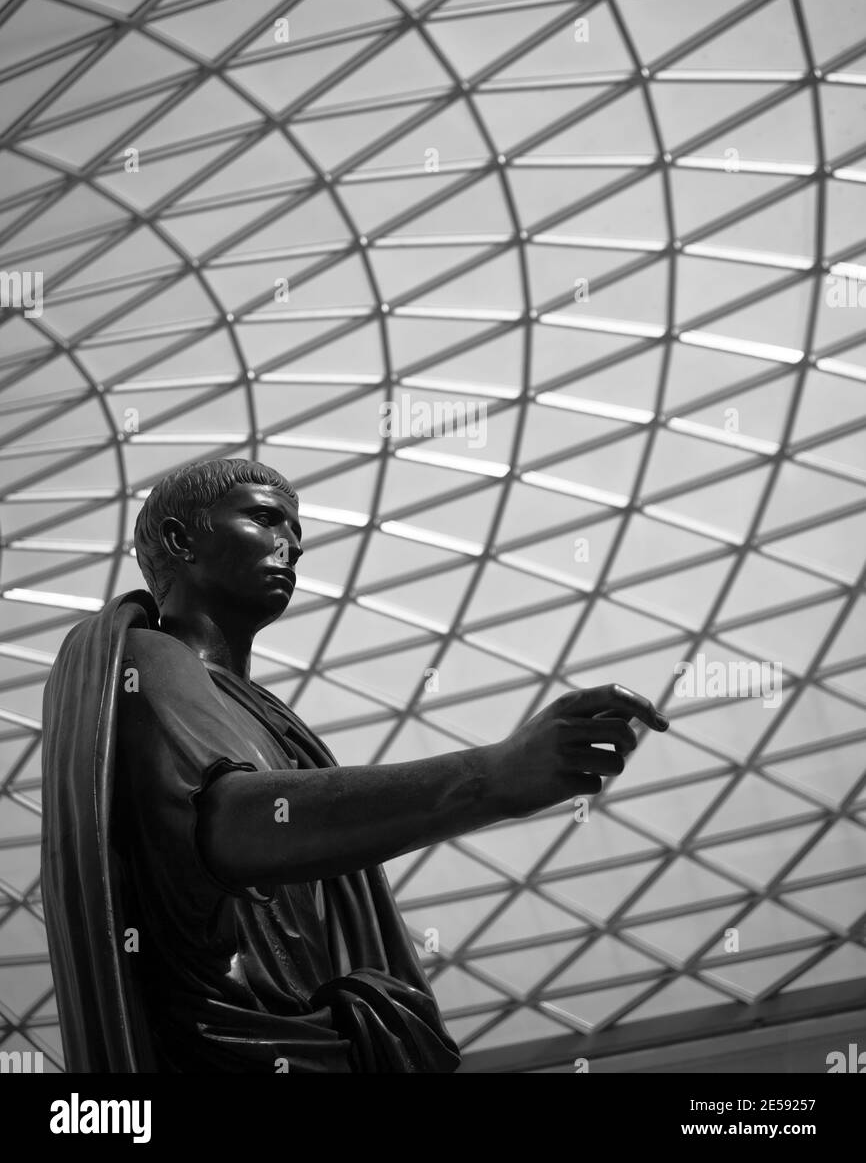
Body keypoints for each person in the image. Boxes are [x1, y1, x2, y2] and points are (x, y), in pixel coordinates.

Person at [41, 457, 669, 1073]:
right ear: (180, 539)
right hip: (225, 1043)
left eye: (297, 533)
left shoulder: (272, 720)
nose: (290, 546)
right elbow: (235, 825)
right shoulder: (148, 657)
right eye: (265, 520)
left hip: (312, 1037)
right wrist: (494, 776)